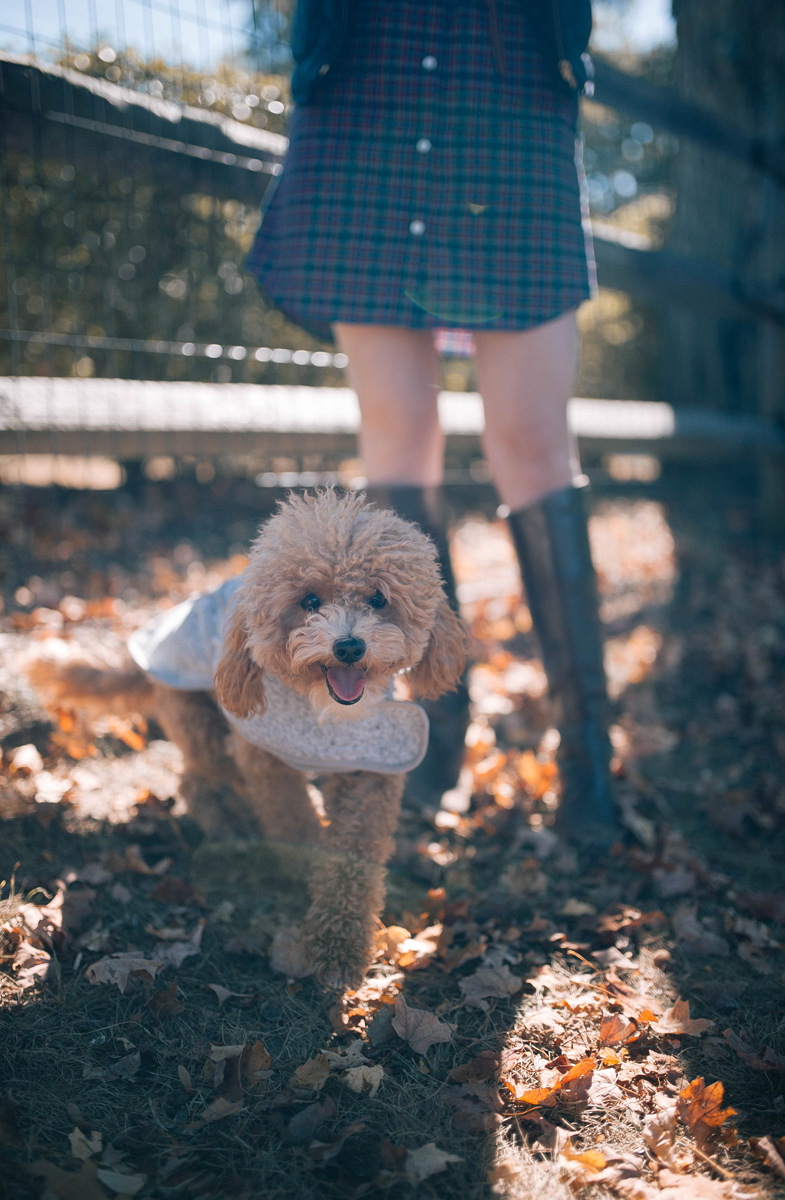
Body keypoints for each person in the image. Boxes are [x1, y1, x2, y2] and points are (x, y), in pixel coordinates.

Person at [248, 0, 620, 848]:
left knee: (531, 441)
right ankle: (431, 733)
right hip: (371, 79)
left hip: (507, 79)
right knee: (396, 432)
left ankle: (589, 763)